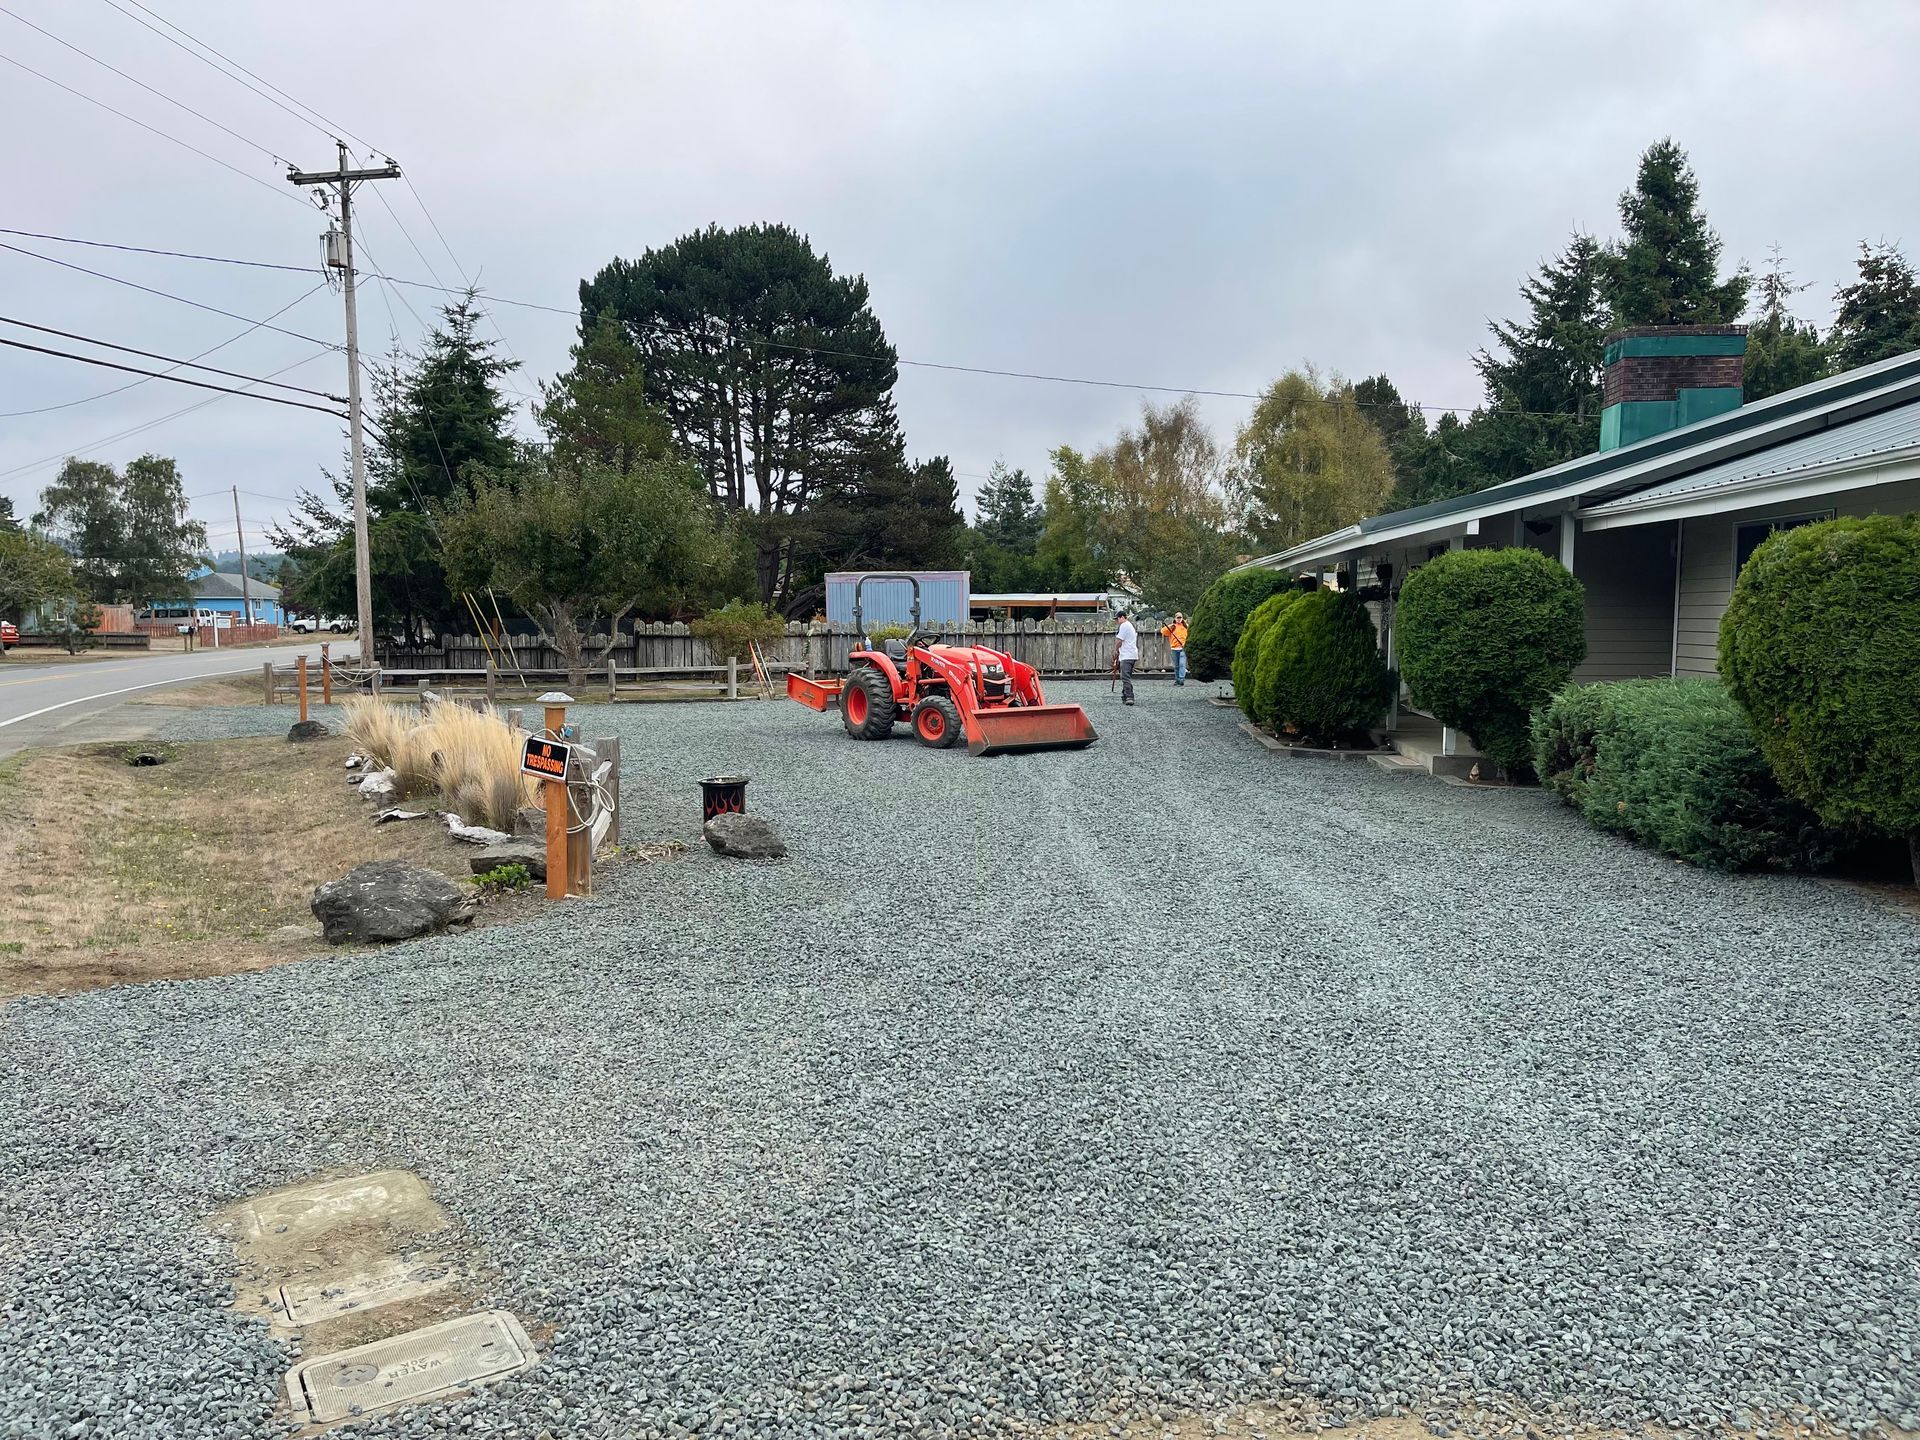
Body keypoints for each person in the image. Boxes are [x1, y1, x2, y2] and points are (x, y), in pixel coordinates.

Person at [1114, 609, 1138, 705]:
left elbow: (1119, 640)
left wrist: (1116, 650)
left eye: (1118, 618)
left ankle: (1129, 696)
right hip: (1132, 654)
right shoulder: (1130, 626)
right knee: (1126, 676)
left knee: (1125, 677)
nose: (1117, 621)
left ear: (1122, 617)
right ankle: (1124, 695)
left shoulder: (1124, 625)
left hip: (1127, 655)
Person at [1160, 611, 1189, 685]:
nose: (1179, 619)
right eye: (1178, 618)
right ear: (1175, 618)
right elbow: (1163, 631)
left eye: (1180, 617)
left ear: (1182, 618)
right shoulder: (1172, 627)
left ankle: (1181, 679)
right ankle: (1177, 679)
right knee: (1176, 666)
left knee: (1182, 664)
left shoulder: (1186, 627)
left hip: (1183, 648)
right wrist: (1170, 626)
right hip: (1174, 648)